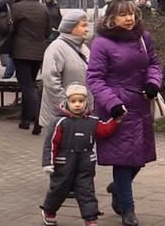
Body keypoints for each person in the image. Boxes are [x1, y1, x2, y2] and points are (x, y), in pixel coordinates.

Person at [86, 0, 163, 226]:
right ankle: (127, 209)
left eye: (131, 13)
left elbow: (154, 63)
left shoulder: (143, 37)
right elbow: (95, 78)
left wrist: (153, 83)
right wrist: (113, 103)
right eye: (123, 14)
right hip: (116, 108)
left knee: (138, 158)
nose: (129, 18)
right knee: (123, 160)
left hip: (140, 104)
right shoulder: (101, 43)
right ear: (111, 17)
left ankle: (118, 188)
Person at [40, 83, 120, 226]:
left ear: (86, 102)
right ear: (67, 102)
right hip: (63, 163)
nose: (77, 105)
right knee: (58, 189)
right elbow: (51, 143)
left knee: (86, 190)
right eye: (73, 101)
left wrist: (115, 121)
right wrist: (48, 162)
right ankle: (49, 210)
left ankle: (90, 218)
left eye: (81, 101)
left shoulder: (92, 120)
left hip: (85, 163)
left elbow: (103, 130)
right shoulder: (60, 121)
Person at [0, 0, 51, 135]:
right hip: (38, 53)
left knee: (27, 87)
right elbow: (48, 32)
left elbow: (5, 29)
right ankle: (24, 120)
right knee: (30, 85)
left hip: (21, 53)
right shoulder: (43, 9)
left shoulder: (16, 8)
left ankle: (37, 119)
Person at [40, 10, 92, 129]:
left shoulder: (83, 48)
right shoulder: (56, 48)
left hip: (79, 112)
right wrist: (67, 105)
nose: (87, 29)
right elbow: (50, 80)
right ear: (71, 27)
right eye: (83, 25)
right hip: (60, 116)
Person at [0, 0, 22, 78]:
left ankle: (7, 75)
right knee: (19, 53)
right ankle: (14, 75)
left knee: (12, 53)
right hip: (21, 28)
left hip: (8, 29)